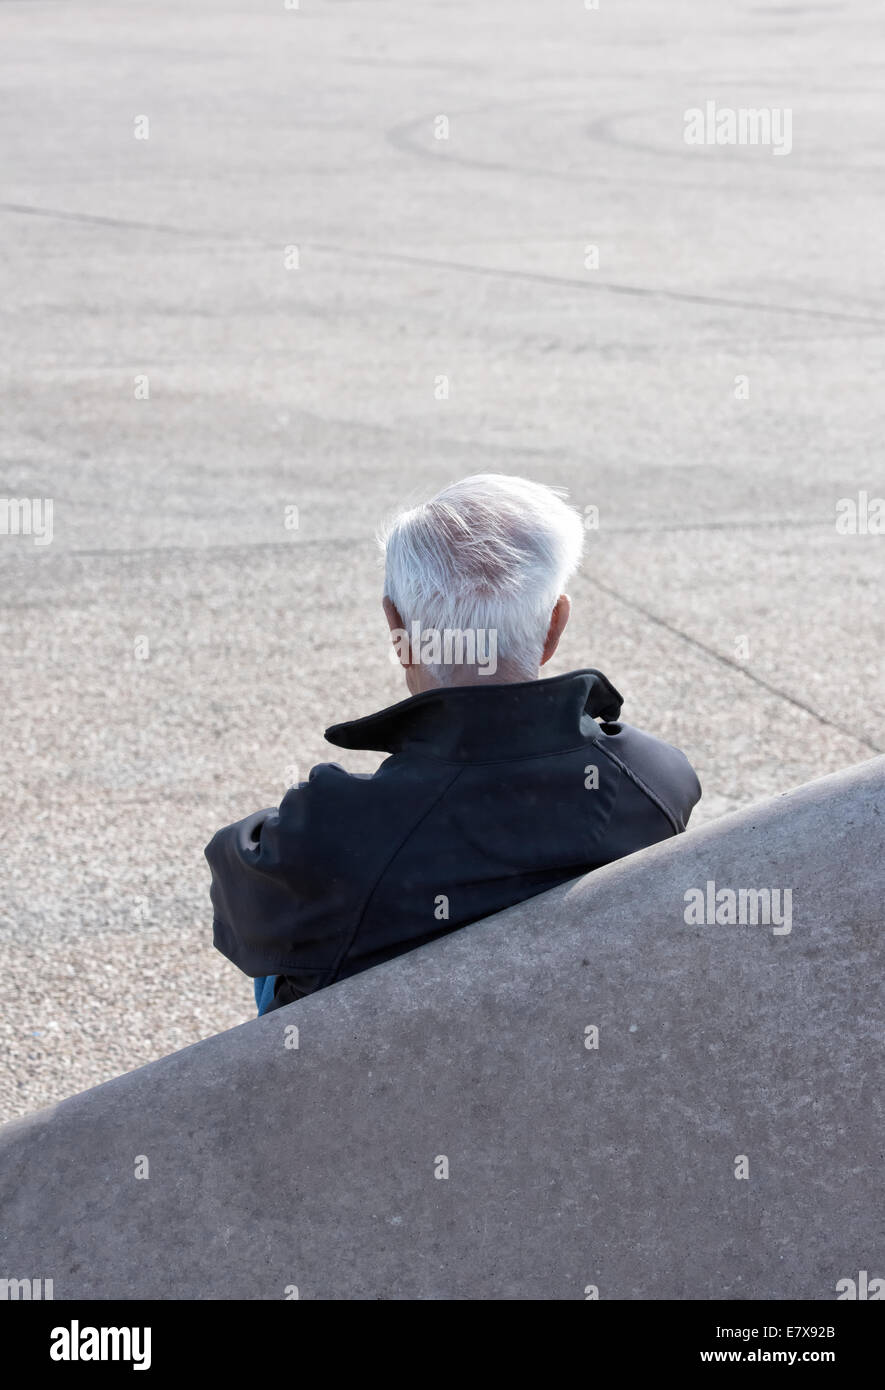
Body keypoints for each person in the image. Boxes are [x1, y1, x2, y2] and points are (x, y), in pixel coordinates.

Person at [205, 474, 701, 1016]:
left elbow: (240, 900)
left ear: (398, 630)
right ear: (555, 624)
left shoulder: (329, 837)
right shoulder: (657, 780)